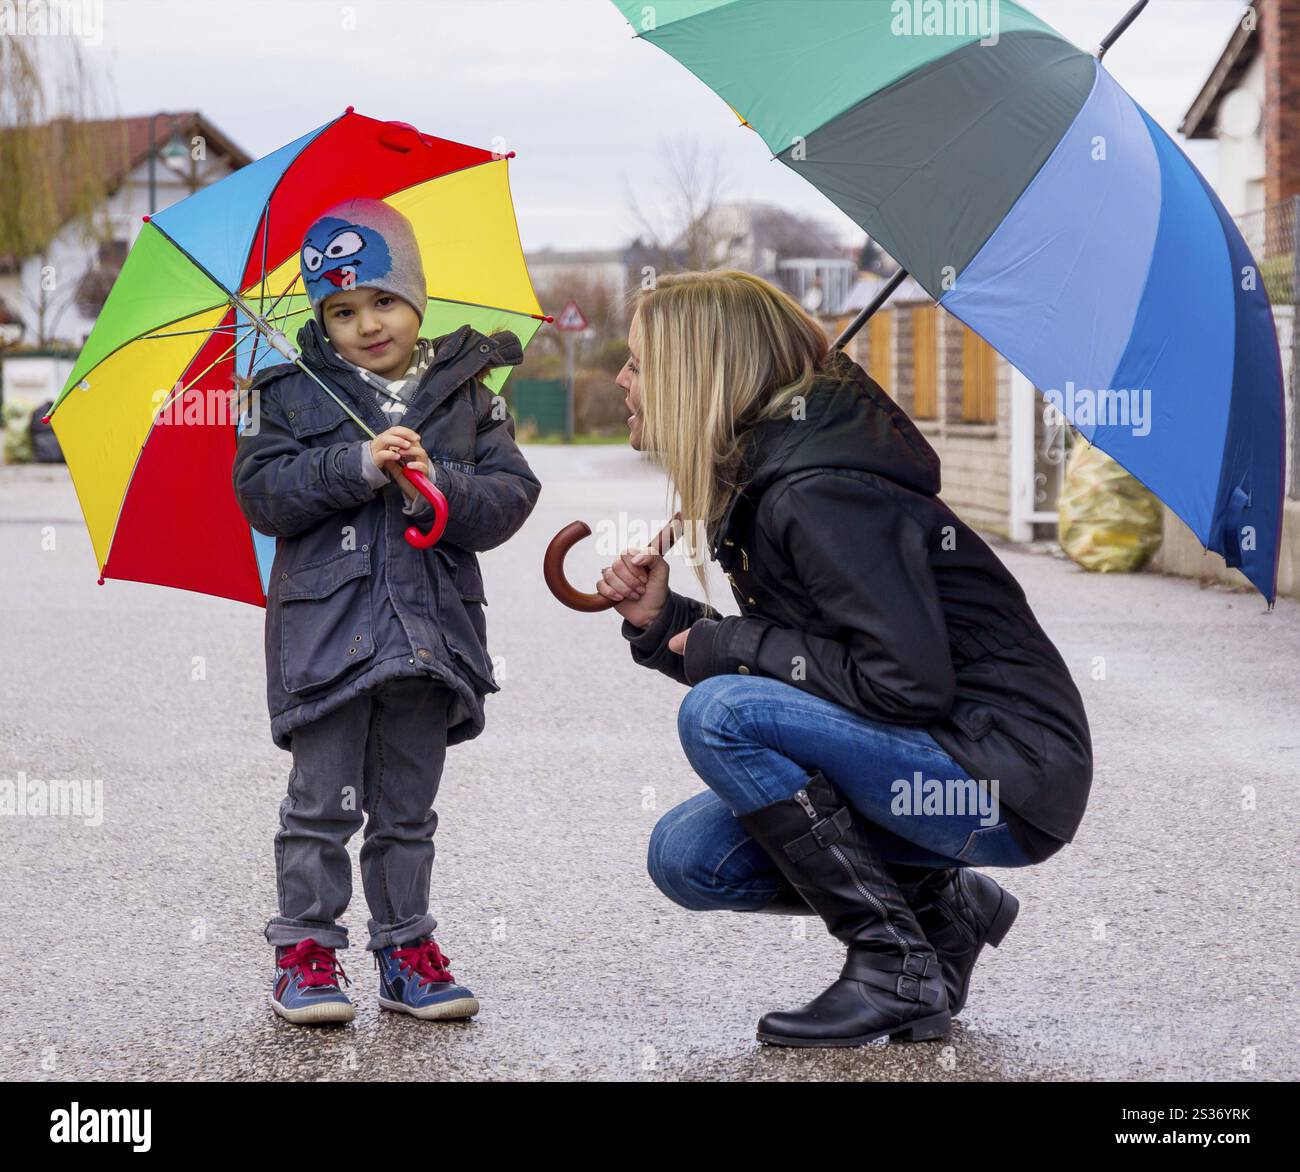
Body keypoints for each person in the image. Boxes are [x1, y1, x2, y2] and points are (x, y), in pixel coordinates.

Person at [598, 269, 1092, 1048]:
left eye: (639, 362)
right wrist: (667, 624)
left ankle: (893, 967)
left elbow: (903, 684)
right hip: (935, 762)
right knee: (688, 858)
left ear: (699, 369)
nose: (622, 379)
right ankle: (942, 913)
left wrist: (725, 645)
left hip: (1002, 776)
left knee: (719, 714)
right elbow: (822, 669)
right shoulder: (771, 478)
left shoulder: (820, 489)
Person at [232, 197, 541, 1025]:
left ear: (418, 298)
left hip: (430, 635)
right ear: (321, 318)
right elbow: (263, 493)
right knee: (320, 804)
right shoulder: (284, 393)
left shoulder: (471, 394)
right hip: (328, 636)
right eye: (341, 310)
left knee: (407, 807)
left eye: (383, 300)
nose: (367, 323)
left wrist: (444, 484)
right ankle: (305, 951)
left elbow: (514, 495)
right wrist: (355, 464)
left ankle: (406, 950)